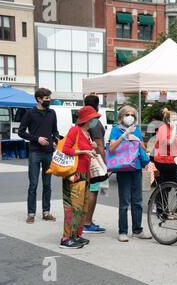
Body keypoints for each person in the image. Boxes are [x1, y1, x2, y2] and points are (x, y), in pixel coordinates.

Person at [108, 106, 152, 242]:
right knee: (124, 201)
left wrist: (138, 140)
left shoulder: (136, 129)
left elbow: (143, 148)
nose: (130, 116)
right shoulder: (116, 129)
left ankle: (137, 230)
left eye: (132, 114)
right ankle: (123, 231)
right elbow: (111, 147)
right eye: (127, 114)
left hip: (136, 167)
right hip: (123, 168)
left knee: (137, 200)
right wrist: (124, 135)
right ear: (121, 116)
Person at [60, 106, 100, 249]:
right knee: (73, 206)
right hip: (74, 174)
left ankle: (77, 235)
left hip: (85, 174)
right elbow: (66, 149)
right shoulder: (75, 130)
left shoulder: (87, 133)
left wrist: (92, 148)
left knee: (83, 207)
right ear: (87, 119)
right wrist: (84, 151)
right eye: (93, 118)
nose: (95, 120)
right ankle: (66, 238)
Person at [19, 88, 59, 224]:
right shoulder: (30, 113)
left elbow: (55, 131)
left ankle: (46, 212)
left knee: (47, 185)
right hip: (35, 152)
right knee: (33, 185)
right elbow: (21, 132)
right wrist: (36, 139)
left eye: (49, 97)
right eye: (46, 98)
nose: (49, 100)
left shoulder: (52, 113)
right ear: (39, 99)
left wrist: (55, 141)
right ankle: (31, 213)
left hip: (48, 153)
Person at [82, 94, 107, 234]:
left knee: (87, 190)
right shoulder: (94, 122)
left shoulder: (81, 120)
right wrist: (105, 163)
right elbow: (99, 145)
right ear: (97, 105)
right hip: (93, 160)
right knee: (93, 190)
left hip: (84, 159)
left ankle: (85, 220)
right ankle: (87, 222)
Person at [154, 108, 177, 185]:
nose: (176, 122)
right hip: (163, 161)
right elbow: (168, 143)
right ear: (168, 120)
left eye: (176, 120)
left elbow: (176, 145)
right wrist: (174, 131)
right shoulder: (163, 128)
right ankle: (161, 196)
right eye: (174, 120)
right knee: (166, 185)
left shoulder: (173, 129)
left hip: (173, 160)